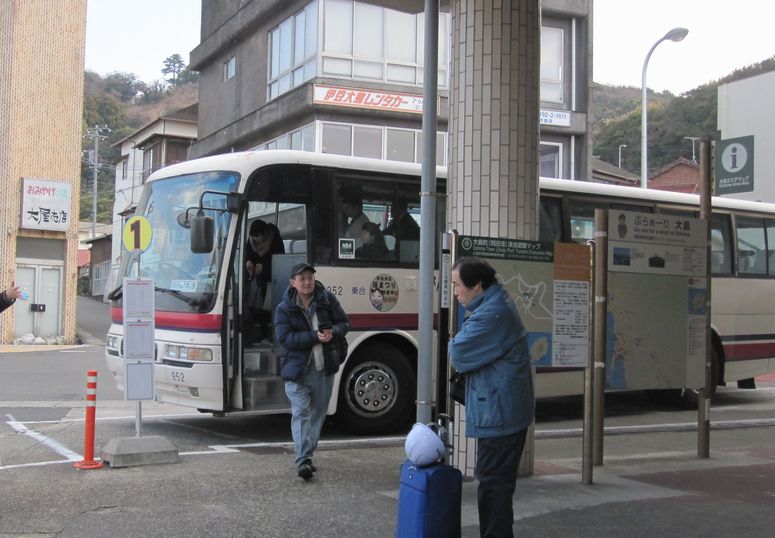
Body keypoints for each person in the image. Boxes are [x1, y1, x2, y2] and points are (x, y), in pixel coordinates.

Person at [448, 256, 534, 538]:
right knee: (495, 486)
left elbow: (458, 353)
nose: (455, 292)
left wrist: (455, 342)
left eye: (458, 285)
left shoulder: (493, 312)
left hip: (501, 416)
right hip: (504, 410)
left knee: (493, 486)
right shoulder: (495, 302)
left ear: (477, 286)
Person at [274, 262, 350, 481]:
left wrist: (332, 332)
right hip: (297, 371)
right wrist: (314, 336)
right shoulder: (284, 308)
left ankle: (307, 454)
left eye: (310, 277)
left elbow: (344, 323)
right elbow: (285, 339)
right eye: (302, 278)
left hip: (323, 368)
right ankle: (302, 460)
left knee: (318, 414)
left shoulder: (327, 299)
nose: (307, 282)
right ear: (293, 283)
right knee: (301, 413)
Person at [245, 219, 285, 342]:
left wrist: (264, 268)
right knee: (254, 305)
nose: (255, 240)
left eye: (257, 237)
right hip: (256, 278)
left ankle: (269, 335)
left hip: (271, 278)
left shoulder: (275, 240)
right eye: (253, 237)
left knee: (268, 306)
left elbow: (279, 260)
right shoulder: (251, 241)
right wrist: (249, 263)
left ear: (265, 234)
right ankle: (257, 333)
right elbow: (248, 255)